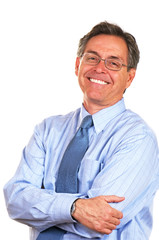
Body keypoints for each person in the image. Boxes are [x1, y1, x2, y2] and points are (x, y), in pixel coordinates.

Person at [4, 21, 159, 240]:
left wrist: (41, 209)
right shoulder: (48, 130)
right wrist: (76, 208)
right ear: (78, 65)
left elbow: (102, 220)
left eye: (113, 63)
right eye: (92, 58)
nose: (99, 68)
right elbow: (15, 200)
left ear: (130, 77)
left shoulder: (137, 139)